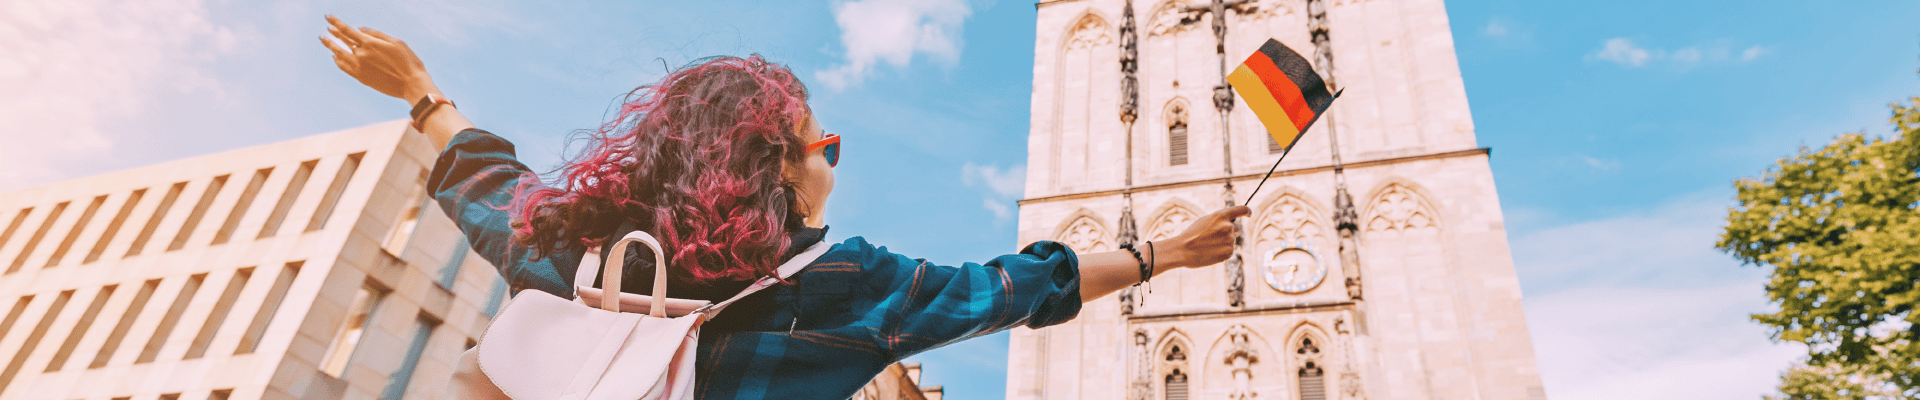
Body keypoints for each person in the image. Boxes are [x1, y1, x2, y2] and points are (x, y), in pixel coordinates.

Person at [320, 15, 1250, 399]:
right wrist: (1161, 255)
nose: (834, 165)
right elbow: (1009, 288)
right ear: (781, 170)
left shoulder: (579, 247)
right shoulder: (842, 289)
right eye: (826, 147)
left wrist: (420, 90)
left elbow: (487, 185)